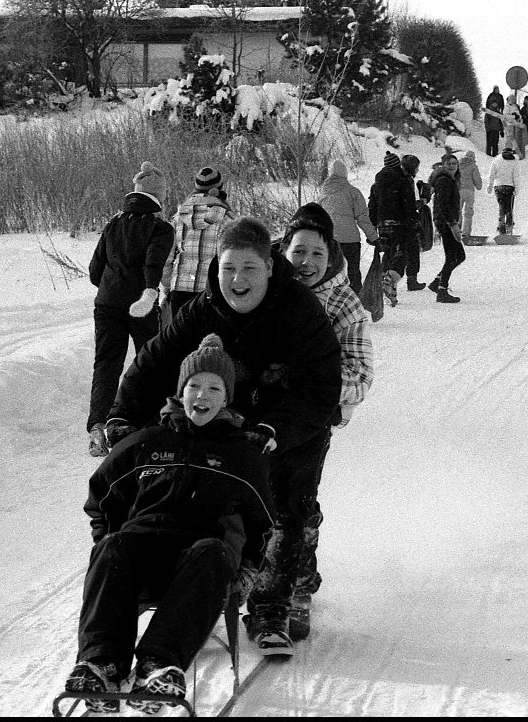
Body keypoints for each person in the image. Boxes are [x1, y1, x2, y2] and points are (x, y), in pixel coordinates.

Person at [103, 216, 342, 656]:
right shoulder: (203, 308)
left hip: (290, 425)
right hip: (226, 419)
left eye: (249, 268)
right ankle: (194, 580)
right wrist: (121, 417)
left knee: (284, 508)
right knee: (205, 499)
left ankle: (271, 607)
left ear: (270, 266)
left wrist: (275, 430)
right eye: (229, 267)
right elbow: (154, 363)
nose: (238, 279)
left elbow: (322, 386)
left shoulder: (300, 311)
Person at [64, 334, 275, 714]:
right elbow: (102, 496)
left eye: (214, 387)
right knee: (114, 546)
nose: (202, 395)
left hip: (198, 566)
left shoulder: (241, 455)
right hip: (143, 558)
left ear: (226, 397)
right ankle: (101, 664)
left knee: (211, 550)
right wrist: (107, 538)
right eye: (194, 385)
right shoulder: (147, 441)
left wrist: (245, 572)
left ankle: (159, 664)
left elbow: (261, 524)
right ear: (180, 391)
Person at [277, 202, 374, 639]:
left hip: (312, 420)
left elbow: (360, 373)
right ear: (285, 250)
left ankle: (298, 586)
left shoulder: (344, 305)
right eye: (299, 252)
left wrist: (315, 389)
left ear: (331, 254)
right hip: (258, 413)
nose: (307, 263)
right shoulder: (264, 286)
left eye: (317, 254)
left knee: (296, 501)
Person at [87, 161, 175, 457]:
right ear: (159, 197)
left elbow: (94, 270)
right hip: (141, 304)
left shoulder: (113, 223)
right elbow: (153, 264)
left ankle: (98, 428)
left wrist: (113, 286)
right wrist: (147, 290)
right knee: (148, 361)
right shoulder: (160, 228)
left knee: (106, 363)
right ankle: (147, 423)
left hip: (107, 303)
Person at [161, 166, 236, 325]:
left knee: (181, 344)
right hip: (211, 292)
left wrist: (170, 284)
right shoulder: (227, 220)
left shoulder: (178, 217)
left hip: (179, 290)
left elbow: (166, 259)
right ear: (219, 189)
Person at [317, 159, 379, 295]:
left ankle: (331, 299)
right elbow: (362, 218)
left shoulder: (323, 193)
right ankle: (356, 299)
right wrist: (374, 238)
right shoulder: (352, 192)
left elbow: (318, 217)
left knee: (331, 272)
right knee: (353, 272)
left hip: (330, 240)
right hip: (350, 240)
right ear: (345, 174)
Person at [367, 151, 419, 306]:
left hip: (382, 226)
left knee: (388, 255)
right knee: (401, 256)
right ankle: (388, 283)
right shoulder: (403, 182)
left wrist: (372, 230)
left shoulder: (376, 185)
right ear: (398, 166)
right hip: (399, 225)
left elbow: (372, 208)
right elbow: (408, 205)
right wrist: (414, 223)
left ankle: (388, 290)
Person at [426, 154, 465, 304]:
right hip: (445, 222)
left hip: (446, 221)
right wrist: (452, 224)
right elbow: (442, 205)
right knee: (454, 256)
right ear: (443, 165)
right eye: (448, 163)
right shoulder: (444, 181)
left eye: (454, 163)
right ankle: (442, 290)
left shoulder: (450, 180)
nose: (452, 166)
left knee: (458, 255)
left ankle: (438, 282)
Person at [399, 154, 427, 291]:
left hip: (395, 219)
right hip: (407, 220)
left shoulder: (397, 178)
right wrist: (422, 202)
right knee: (412, 249)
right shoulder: (407, 180)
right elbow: (409, 203)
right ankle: (412, 280)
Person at [487, 144, 521, 235]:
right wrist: (517, 188)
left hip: (498, 186)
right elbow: (516, 176)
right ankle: (509, 229)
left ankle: (501, 229)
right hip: (509, 187)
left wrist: (490, 185)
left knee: (501, 207)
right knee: (509, 208)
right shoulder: (514, 161)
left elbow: (491, 174)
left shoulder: (496, 160)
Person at [457, 150, 483, 238]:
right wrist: (479, 186)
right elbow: (478, 183)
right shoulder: (473, 166)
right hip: (469, 191)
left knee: (457, 211)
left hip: (458, 190)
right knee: (468, 212)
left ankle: (457, 230)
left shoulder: (458, 165)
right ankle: (466, 232)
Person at [502, 94, 527, 160]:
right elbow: (505, 116)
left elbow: (519, 115)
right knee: (509, 138)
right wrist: (513, 116)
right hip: (509, 125)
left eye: (514, 99)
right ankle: (508, 150)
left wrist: (519, 118)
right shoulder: (507, 107)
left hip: (516, 124)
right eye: (512, 99)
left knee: (516, 138)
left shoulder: (515, 106)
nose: (513, 100)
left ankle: (516, 151)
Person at [484, 85, 505, 156]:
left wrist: (501, 130)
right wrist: (488, 129)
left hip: (496, 129)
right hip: (490, 129)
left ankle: (495, 154)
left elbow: (500, 122)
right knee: (489, 143)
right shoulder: (489, 112)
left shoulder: (498, 112)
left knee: (495, 143)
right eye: (496, 89)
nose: (495, 104)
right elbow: (486, 121)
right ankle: (488, 155)